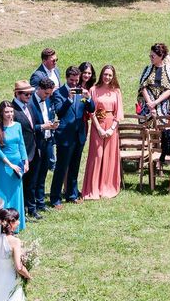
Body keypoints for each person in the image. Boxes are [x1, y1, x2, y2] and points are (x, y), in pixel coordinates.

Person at [51, 66, 95, 207]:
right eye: (71, 80)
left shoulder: (81, 91)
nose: (74, 84)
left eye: (76, 80)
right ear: (66, 78)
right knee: (62, 167)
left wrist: (88, 99)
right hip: (65, 136)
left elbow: (92, 109)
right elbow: (59, 112)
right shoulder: (59, 93)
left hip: (79, 134)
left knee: (75, 166)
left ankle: (72, 194)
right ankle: (55, 198)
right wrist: (69, 99)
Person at [82, 64, 124, 200]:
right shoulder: (94, 89)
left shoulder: (116, 91)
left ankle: (107, 187)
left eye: (110, 75)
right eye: (105, 74)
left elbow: (119, 113)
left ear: (113, 77)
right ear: (101, 75)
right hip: (97, 125)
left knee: (109, 157)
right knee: (97, 155)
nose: (107, 77)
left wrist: (112, 129)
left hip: (111, 125)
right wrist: (99, 129)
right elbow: (91, 111)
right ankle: (93, 188)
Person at [0, 101, 28, 232]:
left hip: (18, 164)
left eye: (11, 111)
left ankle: (15, 223)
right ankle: (3, 224)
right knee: (3, 194)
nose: (9, 114)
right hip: (4, 165)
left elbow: (21, 144)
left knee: (16, 193)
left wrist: (25, 161)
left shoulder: (17, 125)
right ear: (1, 113)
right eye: (6, 112)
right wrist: (10, 164)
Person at [28, 77, 58, 216]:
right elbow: (27, 126)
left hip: (48, 142)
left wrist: (53, 124)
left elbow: (50, 115)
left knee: (43, 174)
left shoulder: (48, 100)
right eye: (46, 93)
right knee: (34, 176)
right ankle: (31, 206)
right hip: (36, 144)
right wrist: (42, 127)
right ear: (38, 89)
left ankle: (40, 203)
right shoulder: (30, 103)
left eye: (49, 93)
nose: (48, 96)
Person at [11, 80, 39, 219]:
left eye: (30, 94)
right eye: (26, 94)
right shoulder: (12, 110)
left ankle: (32, 209)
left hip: (33, 149)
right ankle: (22, 211)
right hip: (21, 152)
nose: (29, 96)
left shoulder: (29, 106)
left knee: (32, 182)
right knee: (22, 184)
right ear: (17, 94)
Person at [138, 43, 170, 119]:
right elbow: (143, 86)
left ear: (161, 56)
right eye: (150, 56)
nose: (151, 58)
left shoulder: (168, 70)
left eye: (153, 56)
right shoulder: (148, 69)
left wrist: (155, 102)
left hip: (162, 106)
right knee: (145, 128)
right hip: (147, 105)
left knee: (160, 129)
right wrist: (150, 104)